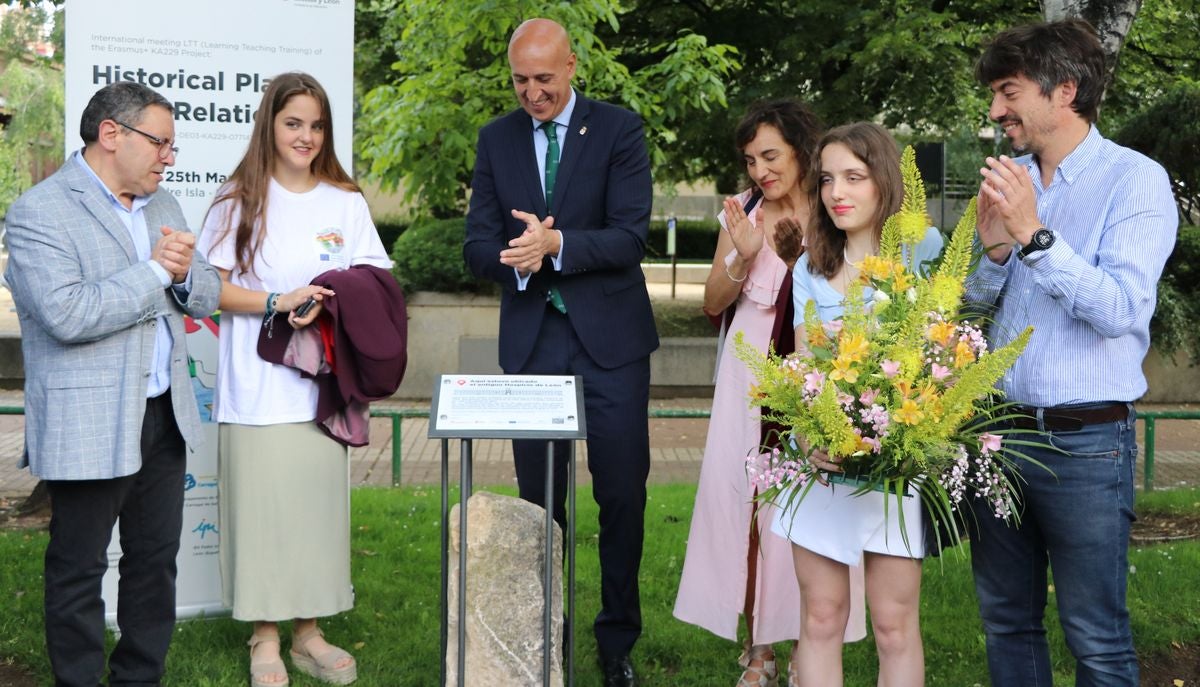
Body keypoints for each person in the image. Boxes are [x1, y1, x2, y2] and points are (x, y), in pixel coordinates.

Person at [965, 19, 1177, 686]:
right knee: (1006, 621)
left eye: (1008, 91)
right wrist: (996, 252)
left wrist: (1032, 231)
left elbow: (1120, 309)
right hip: (999, 435)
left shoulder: (1135, 182)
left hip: (1085, 443)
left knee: (1097, 637)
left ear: (1064, 90)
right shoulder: (1008, 176)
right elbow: (973, 298)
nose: (996, 111)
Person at [3, 81, 221, 686]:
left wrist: (178, 281)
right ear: (111, 135)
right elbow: (70, 314)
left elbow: (203, 291)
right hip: (89, 419)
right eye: (161, 143)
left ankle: (138, 679)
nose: (169, 159)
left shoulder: (165, 204)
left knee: (155, 565)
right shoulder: (38, 212)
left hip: (164, 414)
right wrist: (156, 272)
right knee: (78, 569)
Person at [462, 17, 658, 687]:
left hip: (612, 345)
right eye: (520, 80)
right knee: (539, 504)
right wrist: (516, 259)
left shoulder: (618, 130)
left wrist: (558, 245)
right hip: (533, 341)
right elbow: (475, 244)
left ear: (572, 67)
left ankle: (615, 641)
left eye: (544, 79)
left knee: (623, 494)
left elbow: (631, 237)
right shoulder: (496, 139)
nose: (532, 93)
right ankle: (542, 634)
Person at [197, 72, 392, 687]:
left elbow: (378, 278)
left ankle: (308, 633)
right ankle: (264, 638)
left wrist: (335, 296)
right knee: (262, 516)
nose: (306, 136)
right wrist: (278, 300)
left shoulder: (345, 201)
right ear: (269, 126)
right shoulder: (236, 201)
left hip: (323, 390)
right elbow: (208, 289)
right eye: (293, 123)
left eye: (316, 125)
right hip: (256, 389)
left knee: (311, 515)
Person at [673, 100, 866, 687]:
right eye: (751, 159)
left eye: (770, 156)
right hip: (747, 375)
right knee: (750, 504)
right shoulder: (746, 210)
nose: (758, 170)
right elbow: (711, 302)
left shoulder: (835, 210)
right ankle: (759, 651)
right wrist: (744, 252)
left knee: (812, 507)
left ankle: (815, 641)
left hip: (813, 371)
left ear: (802, 149)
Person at [774, 122, 943, 687]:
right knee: (820, 619)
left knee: (895, 625)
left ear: (884, 183)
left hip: (893, 470)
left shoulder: (921, 257)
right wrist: (809, 435)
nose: (837, 193)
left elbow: (937, 362)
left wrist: (899, 433)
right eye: (826, 180)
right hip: (822, 467)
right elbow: (803, 364)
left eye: (854, 177)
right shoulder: (810, 266)